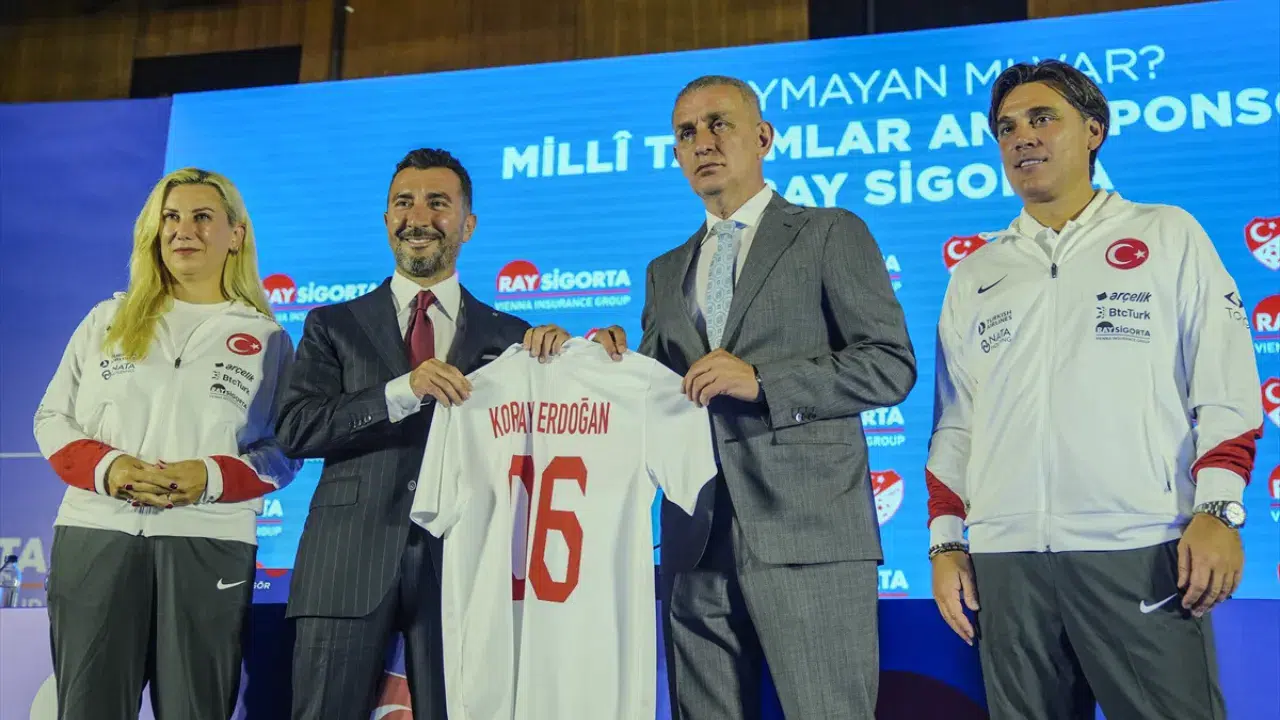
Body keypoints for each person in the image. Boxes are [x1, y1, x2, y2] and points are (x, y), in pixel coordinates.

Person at [925, 59, 1265, 720]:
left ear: (1093, 131)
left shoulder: (1166, 233)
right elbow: (956, 423)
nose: (1022, 136)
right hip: (1006, 559)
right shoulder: (977, 271)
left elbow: (1225, 385)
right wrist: (946, 543)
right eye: (1007, 127)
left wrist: (1220, 510)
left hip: (1139, 545)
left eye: (1043, 118)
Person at [593, 75, 917, 719]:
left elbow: (889, 365)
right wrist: (608, 367)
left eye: (720, 123)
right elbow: (661, 393)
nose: (703, 142)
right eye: (687, 133)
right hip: (694, 537)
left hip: (809, 532)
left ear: (763, 136)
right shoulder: (664, 270)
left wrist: (765, 382)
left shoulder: (829, 231)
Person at [275, 148, 570, 719]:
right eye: (403, 203)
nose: (418, 217)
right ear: (387, 219)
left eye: (438, 203)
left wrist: (583, 356)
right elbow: (296, 428)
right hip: (346, 562)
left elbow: (549, 437)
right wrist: (401, 391)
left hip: (466, 563)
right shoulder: (332, 325)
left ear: (467, 224)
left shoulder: (512, 336)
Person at [33, 167, 299, 720]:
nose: (183, 230)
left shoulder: (267, 338)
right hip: (96, 534)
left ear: (236, 235)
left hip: (210, 542)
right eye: (171, 217)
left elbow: (285, 452)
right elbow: (51, 418)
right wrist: (109, 468)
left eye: (202, 217)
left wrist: (212, 477)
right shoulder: (106, 320)